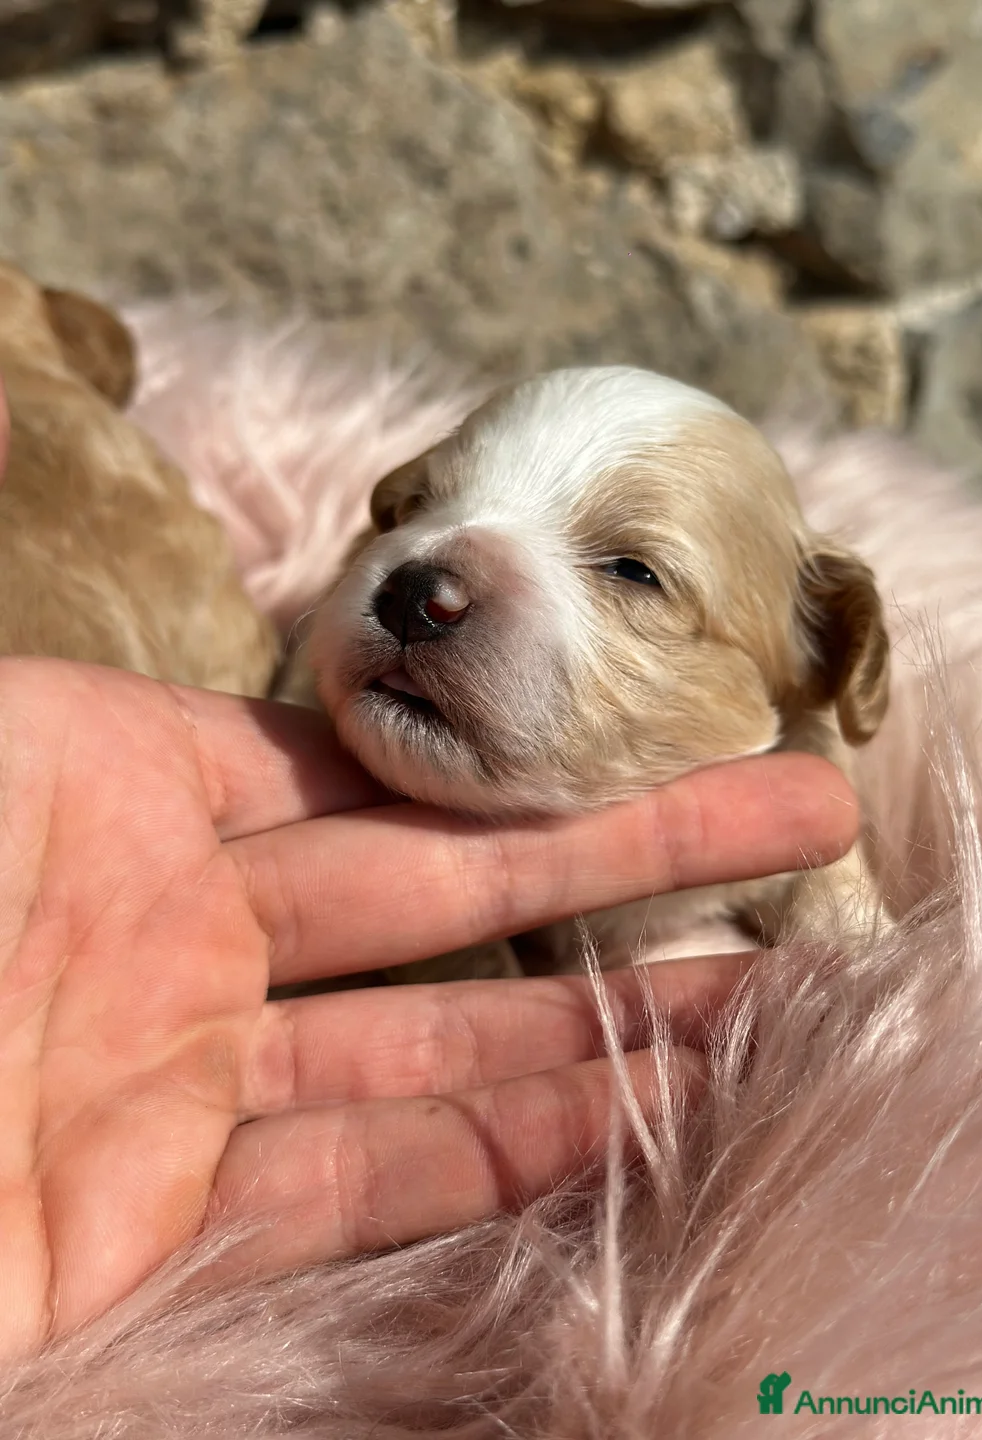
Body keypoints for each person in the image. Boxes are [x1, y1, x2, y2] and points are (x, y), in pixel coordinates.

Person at [0, 379, 858, 1360]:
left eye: (631, 570)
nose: (429, 584)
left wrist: (842, 907)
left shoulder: (788, 796)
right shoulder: (261, 785)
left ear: (821, 658)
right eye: (421, 509)